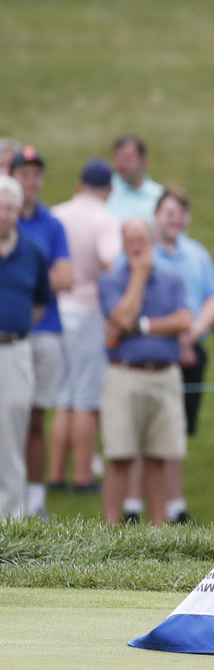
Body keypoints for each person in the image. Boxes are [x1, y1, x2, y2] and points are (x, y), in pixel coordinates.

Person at [97, 217, 190, 526]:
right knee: (120, 455)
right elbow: (122, 317)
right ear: (123, 246)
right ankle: (109, 530)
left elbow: (183, 320)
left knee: (159, 456)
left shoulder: (172, 280)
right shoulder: (110, 280)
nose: (136, 247)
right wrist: (138, 276)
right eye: (130, 241)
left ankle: (158, 530)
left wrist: (143, 326)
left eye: (142, 240)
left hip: (164, 375)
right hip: (124, 374)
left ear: (152, 242)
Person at [46, 159, 120, 495]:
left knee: (64, 396)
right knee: (86, 399)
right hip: (88, 310)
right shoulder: (105, 220)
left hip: (58, 308)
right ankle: (82, 476)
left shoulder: (57, 214)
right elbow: (111, 261)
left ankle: (56, 474)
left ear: (79, 185)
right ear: (109, 189)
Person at [146, 188, 214, 524]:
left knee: (176, 431)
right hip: (154, 353)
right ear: (156, 215)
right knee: (147, 432)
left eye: (180, 213)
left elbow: (212, 299)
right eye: (169, 213)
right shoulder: (145, 253)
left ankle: (174, 504)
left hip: (191, 352)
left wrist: (193, 333)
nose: (175, 219)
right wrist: (175, 337)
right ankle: (135, 503)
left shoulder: (197, 254)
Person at [10, 147, 71, 518]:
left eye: (35, 175)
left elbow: (66, 277)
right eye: (24, 174)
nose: (30, 182)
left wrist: (21, 283)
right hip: (10, 336)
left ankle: (35, 499)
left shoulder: (52, 224)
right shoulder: (6, 220)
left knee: (35, 416)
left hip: (45, 330)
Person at [0, 175, 53, 518]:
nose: (4, 214)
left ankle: (11, 521)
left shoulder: (32, 252)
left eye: (10, 208)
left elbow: (39, 303)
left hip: (15, 351)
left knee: (12, 432)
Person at [106, 133, 163, 223]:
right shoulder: (104, 191)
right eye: (118, 158)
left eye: (127, 159)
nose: (121, 165)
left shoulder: (159, 196)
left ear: (144, 160)